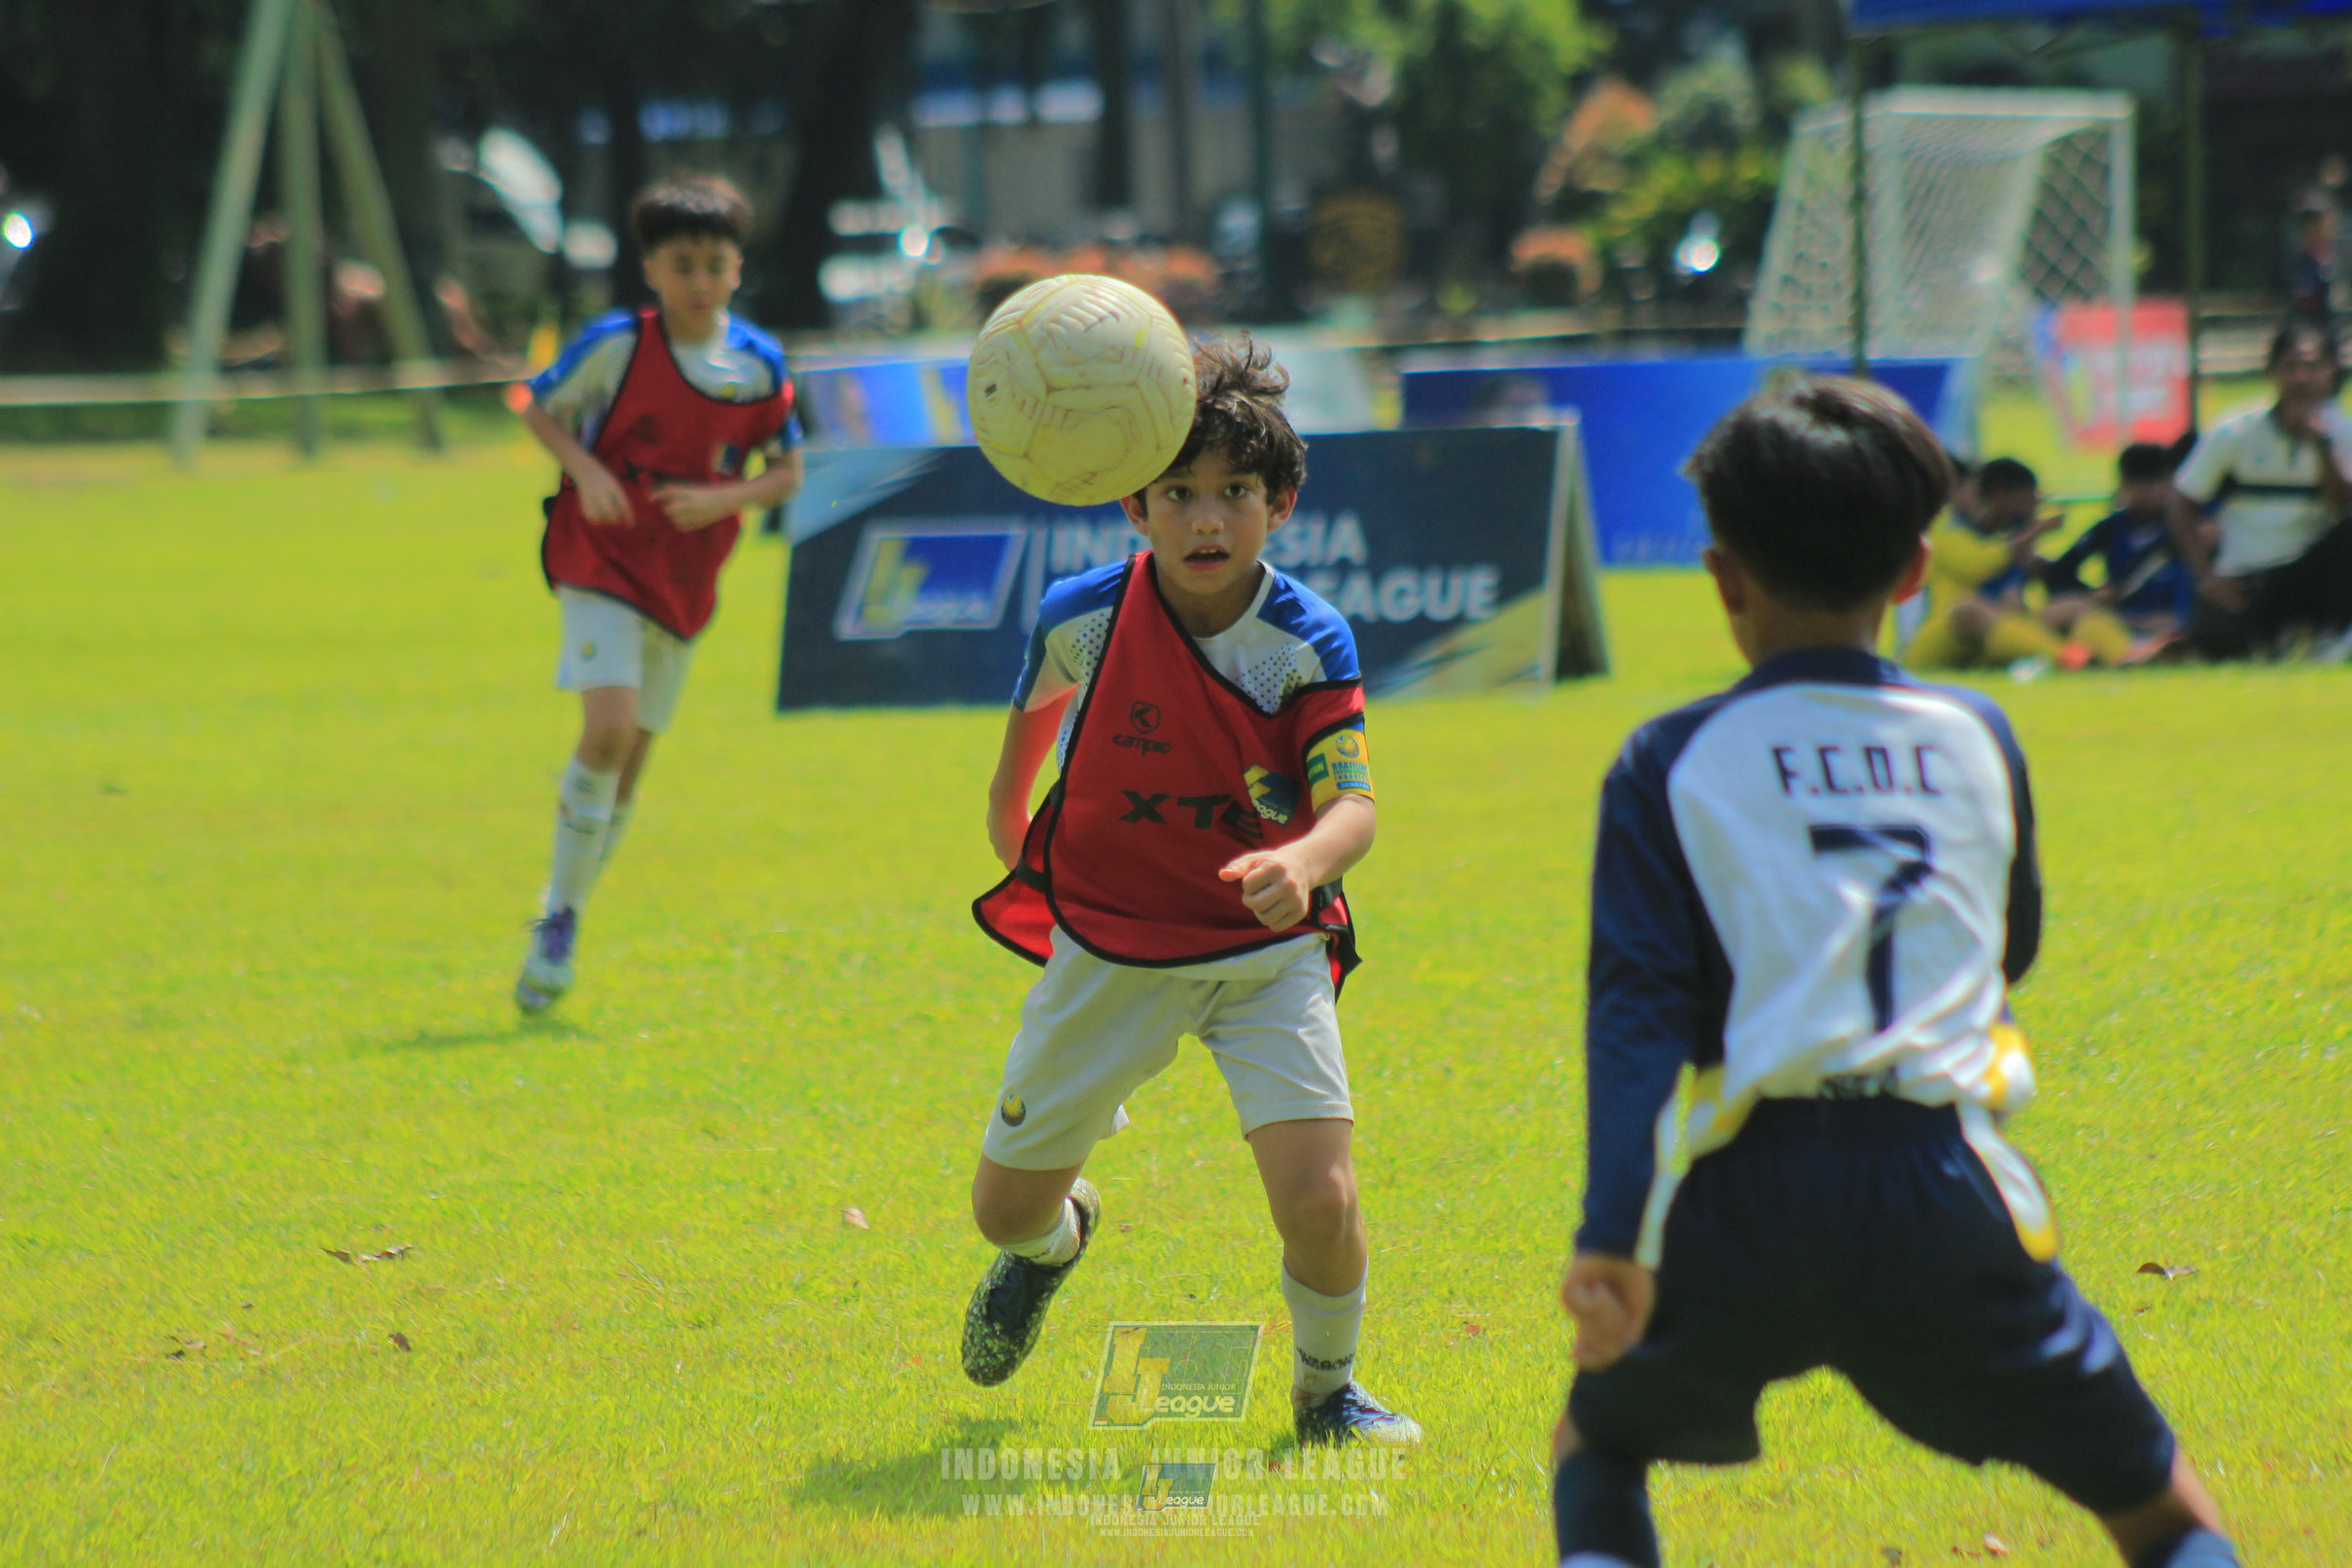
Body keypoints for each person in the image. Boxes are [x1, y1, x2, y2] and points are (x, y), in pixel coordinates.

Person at [1548, 376, 2240, 1568]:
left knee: (1594, 1447)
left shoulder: (1668, 756)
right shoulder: (1979, 733)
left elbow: (1637, 1012)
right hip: (1942, 1182)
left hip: (1742, 1194)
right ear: (1916, 569)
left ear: (1723, 578)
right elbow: (2003, 945)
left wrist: (1611, 1230)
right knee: (2165, 1513)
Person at [961, 337, 1421, 1448]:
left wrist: (1301, 863)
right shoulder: (1080, 615)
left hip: (1265, 956)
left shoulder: (1306, 638)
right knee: (1004, 1211)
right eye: (1180, 493)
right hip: (1111, 949)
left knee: (1319, 1197)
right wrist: (1031, 856)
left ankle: (1327, 1397)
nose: (1206, 519)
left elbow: (1352, 807)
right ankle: (1058, 1243)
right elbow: (1015, 773)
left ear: (1281, 504)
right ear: (1134, 502)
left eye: (1234, 494)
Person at [512, 176, 804, 1012]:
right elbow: (539, 408)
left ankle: (564, 906)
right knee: (604, 731)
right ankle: (559, 919)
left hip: (684, 574)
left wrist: (722, 500)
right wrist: (590, 470)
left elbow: (786, 471)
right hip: (598, 555)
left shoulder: (756, 364)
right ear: (650, 269)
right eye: (682, 265)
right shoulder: (618, 343)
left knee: (630, 767)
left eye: (715, 264)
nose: (699, 282)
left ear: (738, 267)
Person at [2169, 315, 2352, 661]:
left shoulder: (2343, 433)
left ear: (2330, 373)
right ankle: (2282, 638)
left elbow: (2344, 506)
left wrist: (2322, 448)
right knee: (2217, 642)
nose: (2301, 378)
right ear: (2272, 372)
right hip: (2245, 575)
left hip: (2311, 571)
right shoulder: (2235, 431)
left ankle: (2328, 632)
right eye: (2290, 366)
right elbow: (2181, 500)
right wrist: (2204, 575)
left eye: (2312, 367)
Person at [1900, 456, 2070, 670]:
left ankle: (2113, 654)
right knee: (1969, 611)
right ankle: (2066, 657)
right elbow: (1980, 564)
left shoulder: (1993, 534)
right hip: (1942, 633)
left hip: (1987, 636)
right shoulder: (1939, 533)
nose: (1979, 497)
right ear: (1952, 490)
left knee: (2070, 606)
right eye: (1972, 488)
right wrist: (2036, 531)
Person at [2038, 441, 2194, 657]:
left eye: (2150, 483)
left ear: (2168, 483)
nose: (2142, 492)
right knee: (2064, 611)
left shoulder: (2181, 529)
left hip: (2169, 618)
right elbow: (2060, 572)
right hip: (2119, 616)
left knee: (2169, 625)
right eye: (2133, 483)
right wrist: (2094, 595)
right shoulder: (2110, 528)